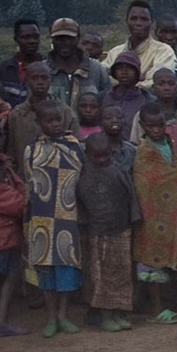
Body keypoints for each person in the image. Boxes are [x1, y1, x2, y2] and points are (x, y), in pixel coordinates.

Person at [131, 103, 177, 323]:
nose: (156, 130)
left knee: (175, 258)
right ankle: (157, 308)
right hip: (151, 217)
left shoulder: (170, 144)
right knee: (153, 262)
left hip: (174, 215)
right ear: (142, 126)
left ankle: (174, 303)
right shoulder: (142, 150)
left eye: (160, 125)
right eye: (151, 126)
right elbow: (144, 182)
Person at [24, 98, 86, 338]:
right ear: (39, 123)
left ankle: (63, 315)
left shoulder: (74, 145)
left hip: (68, 218)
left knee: (66, 268)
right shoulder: (32, 150)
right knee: (46, 271)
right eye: (48, 121)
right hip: (41, 219)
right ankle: (50, 317)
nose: (55, 124)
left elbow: (81, 179)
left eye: (57, 119)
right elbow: (29, 183)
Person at [77, 131, 141, 331]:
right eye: (97, 156)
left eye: (105, 154)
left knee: (122, 273)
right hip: (97, 234)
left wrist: (134, 221)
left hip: (121, 230)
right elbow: (81, 206)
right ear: (87, 154)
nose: (102, 159)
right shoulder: (84, 175)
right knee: (102, 276)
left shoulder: (118, 171)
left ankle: (119, 313)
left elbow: (131, 196)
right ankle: (105, 316)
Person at [102, 0, 177, 88]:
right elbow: (102, 79)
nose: (138, 23)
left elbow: (156, 82)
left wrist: (121, 85)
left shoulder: (164, 51)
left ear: (151, 22)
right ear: (126, 21)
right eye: (134, 19)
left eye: (144, 19)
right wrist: (141, 80)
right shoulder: (115, 52)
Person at [44, 18, 109, 105]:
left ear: (78, 39)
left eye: (69, 38)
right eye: (59, 38)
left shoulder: (97, 69)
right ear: (52, 40)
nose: (65, 42)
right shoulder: (42, 70)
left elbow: (107, 103)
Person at [7, 61, 53, 169]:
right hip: (24, 177)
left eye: (44, 78)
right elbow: (11, 150)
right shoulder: (17, 115)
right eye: (34, 78)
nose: (40, 82)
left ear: (51, 80)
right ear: (27, 81)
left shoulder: (64, 112)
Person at [0, 20, 41, 103]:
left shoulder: (49, 68)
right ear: (16, 39)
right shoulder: (2, 69)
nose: (32, 41)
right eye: (26, 37)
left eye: (35, 37)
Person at [103, 49, 150, 128]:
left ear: (136, 72)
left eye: (130, 68)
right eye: (120, 68)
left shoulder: (147, 99)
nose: (124, 72)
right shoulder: (103, 96)